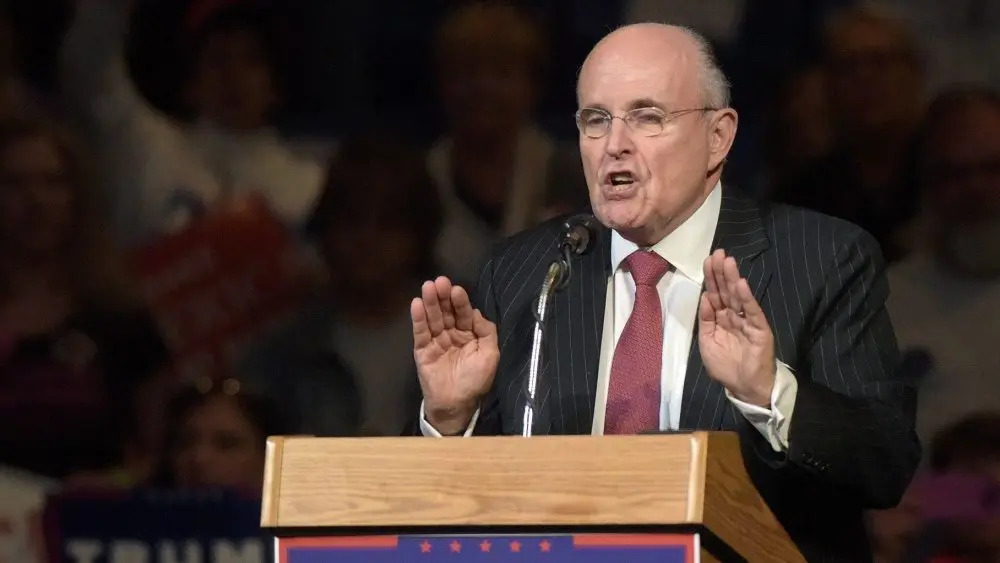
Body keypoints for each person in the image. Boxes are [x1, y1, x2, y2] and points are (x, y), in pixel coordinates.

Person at [410, 23, 919, 562]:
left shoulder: (822, 259)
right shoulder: (525, 272)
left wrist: (769, 393)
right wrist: (450, 419)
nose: (614, 146)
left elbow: (884, 462)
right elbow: (462, 517)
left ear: (718, 137)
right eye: (595, 121)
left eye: (648, 117)